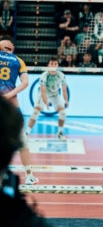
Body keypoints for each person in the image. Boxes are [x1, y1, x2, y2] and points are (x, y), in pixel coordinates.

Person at [0, 96, 51, 227]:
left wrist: (8, 95)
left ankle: (29, 174)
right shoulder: (26, 220)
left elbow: (24, 84)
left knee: (24, 143)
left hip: (11, 108)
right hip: (8, 109)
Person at [0, 37, 38, 185]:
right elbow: (25, 82)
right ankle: (29, 175)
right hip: (11, 106)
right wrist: (9, 95)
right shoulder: (18, 61)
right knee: (22, 141)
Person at [25, 57, 69, 140]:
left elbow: (64, 90)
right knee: (35, 112)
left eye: (55, 64)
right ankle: (27, 133)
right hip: (42, 95)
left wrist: (66, 101)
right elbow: (43, 92)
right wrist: (46, 102)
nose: (53, 65)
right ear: (48, 65)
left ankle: (59, 133)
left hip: (55, 95)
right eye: (51, 64)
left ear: (58, 65)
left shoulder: (61, 75)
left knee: (63, 113)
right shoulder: (44, 75)